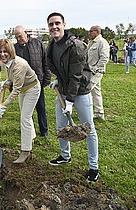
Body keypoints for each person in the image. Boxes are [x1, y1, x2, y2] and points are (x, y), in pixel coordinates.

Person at [46, 12, 99, 182]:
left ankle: (93, 167)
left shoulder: (76, 45)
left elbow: (76, 75)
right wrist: (58, 81)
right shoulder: (52, 46)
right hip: (62, 90)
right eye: (51, 24)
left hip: (81, 92)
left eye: (57, 23)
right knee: (61, 127)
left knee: (88, 129)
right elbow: (62, 69)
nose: (54, 27)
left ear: (64, 24)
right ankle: (65, 156)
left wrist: (70, 100)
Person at [0, 39, 41, 164]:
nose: (2, 54)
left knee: (25, 118)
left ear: (11, 52)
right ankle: (29, 140)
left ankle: (25, 151)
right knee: (26, 116)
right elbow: (12, 78)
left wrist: (4, 105)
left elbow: (16, 90)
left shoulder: (19, 64)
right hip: (23, 89)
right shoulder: (5, 63)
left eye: (5, 51)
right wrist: (6, 81)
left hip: (32, 88)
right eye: (0, 52)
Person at [14, 25, 51, 139]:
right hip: (23, 83)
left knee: (41, 107)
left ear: (25, 33)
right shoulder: (14, 48)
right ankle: (30, 132)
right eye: (16, 37)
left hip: (37, 81)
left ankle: (44, 131)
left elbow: (46, 62)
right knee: (26, 110)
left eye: (20, 36)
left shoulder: (38, 44)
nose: (18, 39)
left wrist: (47, 78)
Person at [87, 25, 109, 120]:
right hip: (90, 71)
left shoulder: (102, 42)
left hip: (96, 72)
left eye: (91, 31)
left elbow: (104, 58)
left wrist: (96, 69)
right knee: (96, 92)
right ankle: (99, 112)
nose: (89, 33)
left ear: (97, 32)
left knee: (86, 90)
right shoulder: (92, 42)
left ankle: (87, 112)